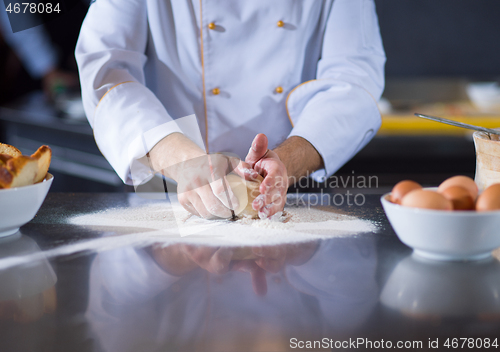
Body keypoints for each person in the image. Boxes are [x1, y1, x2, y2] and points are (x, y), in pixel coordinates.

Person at [76, 0, 385, 219]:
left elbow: (355, 76)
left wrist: (286, 163)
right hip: (168, 194)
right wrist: (182, 160)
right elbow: (106, 68)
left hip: (283, 201)